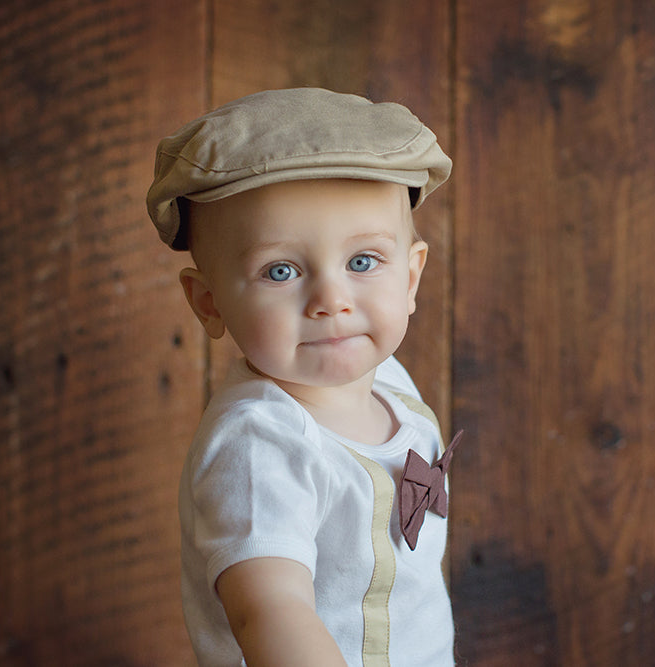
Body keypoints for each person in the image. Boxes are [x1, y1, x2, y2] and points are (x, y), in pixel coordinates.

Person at [146, 88, 457, 666]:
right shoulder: (259, 443)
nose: (331, 301)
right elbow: (270, 610)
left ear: (411, 278)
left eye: (362, 261)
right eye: (281, 270)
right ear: (208, 302)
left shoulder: (391, 384)